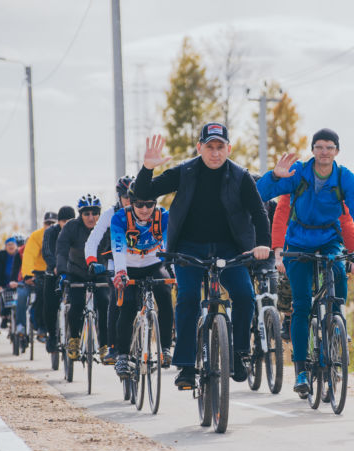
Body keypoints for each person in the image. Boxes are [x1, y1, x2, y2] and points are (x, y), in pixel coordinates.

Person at [133, 124, 271, 389]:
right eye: (210, 147)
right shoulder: (185, 171)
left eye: (221, 147)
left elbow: (258, 212)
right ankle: (185, 366)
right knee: (187, 298)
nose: (215, 153)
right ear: (200, 148)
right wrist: (148, 168)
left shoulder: (241, 176)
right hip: (189, 246)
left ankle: (239, 352)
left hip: (230, 248)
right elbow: (143, 193)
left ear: (229, 149)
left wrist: (263, 244)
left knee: (244, 295)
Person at [256, 128, 354, 394]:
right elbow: (262, 194)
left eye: (330, 147)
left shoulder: (344, 177)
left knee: (338, 282)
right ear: (313, 150)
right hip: (298, 243)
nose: (324, 152)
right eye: (319, 147)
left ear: (337, 151)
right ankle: (301, 372)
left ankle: (335, 324)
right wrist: (275, 176)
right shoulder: (299, 172)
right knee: (301, 305)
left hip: (329, 241)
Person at [271, 192, 354, 341]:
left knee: (339, 272)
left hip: (328, 244)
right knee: (289, 281)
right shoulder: (295, 186)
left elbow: (346, 221)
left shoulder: (335, 187)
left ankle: (337, 319)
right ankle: (290, 317)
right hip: (298, 244)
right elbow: (281, 218)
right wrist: (279, 251)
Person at [108, 185, 173, 379]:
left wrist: (176, 271)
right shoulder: (119, 218)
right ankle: (122, 355)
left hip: (153, 264)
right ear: (132, 203)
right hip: (128, 266)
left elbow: (170, 246)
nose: (144, 210)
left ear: (155, 203)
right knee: (127, 306)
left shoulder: (164, 217)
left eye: (149, 205)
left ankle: (166, 348)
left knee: (165, 295)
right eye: (139, 205)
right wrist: (120, 272)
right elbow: (118, 247)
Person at [85, 176, 134, 365]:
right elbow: (93, 241)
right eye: (126, 197)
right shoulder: (110, 214)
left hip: (140, 262)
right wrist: (92, 261)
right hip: (115, 262)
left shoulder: (144, 210)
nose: (129, 201)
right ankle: (113, 347)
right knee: (115, 299)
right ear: (119, 197)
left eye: (132, 197)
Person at [56, 195, 110, 360]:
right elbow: (62, 250)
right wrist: (62, 272)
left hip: (100, 272)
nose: (91, 217)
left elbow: (114, 249)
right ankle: (74, 339)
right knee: (77, 304)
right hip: (76, 272)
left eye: (95, 213)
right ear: (80, 214)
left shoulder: (106, 227)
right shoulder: (71, 227)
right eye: (86, 214)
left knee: (104, 302)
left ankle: (104, 344)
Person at [17, 211, 57, 342]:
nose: (50, 225)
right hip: (40, 272)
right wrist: (27, 274)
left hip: (59, 270)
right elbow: (29, 255)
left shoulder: (62, 232)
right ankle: (41, 327)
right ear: (43, 223)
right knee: (43, 295)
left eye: (53, 222)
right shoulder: (36, 236)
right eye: (48, 223)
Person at [42, 205, 76, 353]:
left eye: (70, 220)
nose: (66, 223)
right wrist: (55, 266)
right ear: (59, 222)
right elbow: (47, 251)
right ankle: (52, 336)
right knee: (49, 305)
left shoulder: (78, 230)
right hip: (54, 272)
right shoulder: (51, 232)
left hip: (74, 271)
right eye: (63, 221)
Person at [0, 236, 23, 334]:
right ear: (5, 246)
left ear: (16, 246)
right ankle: (5, 317)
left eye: (12, 244)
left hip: (18, 282)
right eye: (8, 245)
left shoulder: (19, 254)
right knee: (4, 299)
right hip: (4, 283)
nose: (11, 246)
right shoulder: (1, 256)